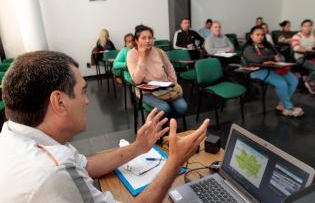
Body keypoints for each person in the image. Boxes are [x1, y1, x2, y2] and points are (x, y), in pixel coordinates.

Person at [0, 51, 209, 203]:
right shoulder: (54, 172)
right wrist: (175, 162)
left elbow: (85, 165)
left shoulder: (12, 132)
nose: (87, 101)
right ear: (59, 102)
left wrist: (139, 146)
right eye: (83, 92)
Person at [128, 25, 188, 117]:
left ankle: (169, 122)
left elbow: (169, 67)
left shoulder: (159, 51)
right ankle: (164, 126)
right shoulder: (131, 54)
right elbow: (136, 80)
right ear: (137, 41)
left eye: (150, 37)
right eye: (144, 38)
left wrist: (173, 83)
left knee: (183, 108)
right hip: (146, 92)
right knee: (165, 109)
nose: (148, 40)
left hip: (164, 88)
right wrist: (141, 57)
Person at [243, 26, 303, 117]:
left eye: (262, 35)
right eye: (257, 34)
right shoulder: (248, 48)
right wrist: (271, 58)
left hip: (274, 68)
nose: (260, 37)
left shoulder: (267, 45)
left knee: (293, 80)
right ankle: (288, 107)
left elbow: (278, 56)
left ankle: (282, 104)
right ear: (251, 35)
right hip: (258, 70)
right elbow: (257, 59)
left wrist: (276, 59)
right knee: (282, 83)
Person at [292, 19, 315, 94]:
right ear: (301, 27)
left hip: (311, 56)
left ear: (312, 27)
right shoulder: (297, 36)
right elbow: (296, 48)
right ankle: (309, 81)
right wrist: (308, 50)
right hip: (300, 57)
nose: (307, 28)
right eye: (305, 26)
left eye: (309, 26)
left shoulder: (313, 36)